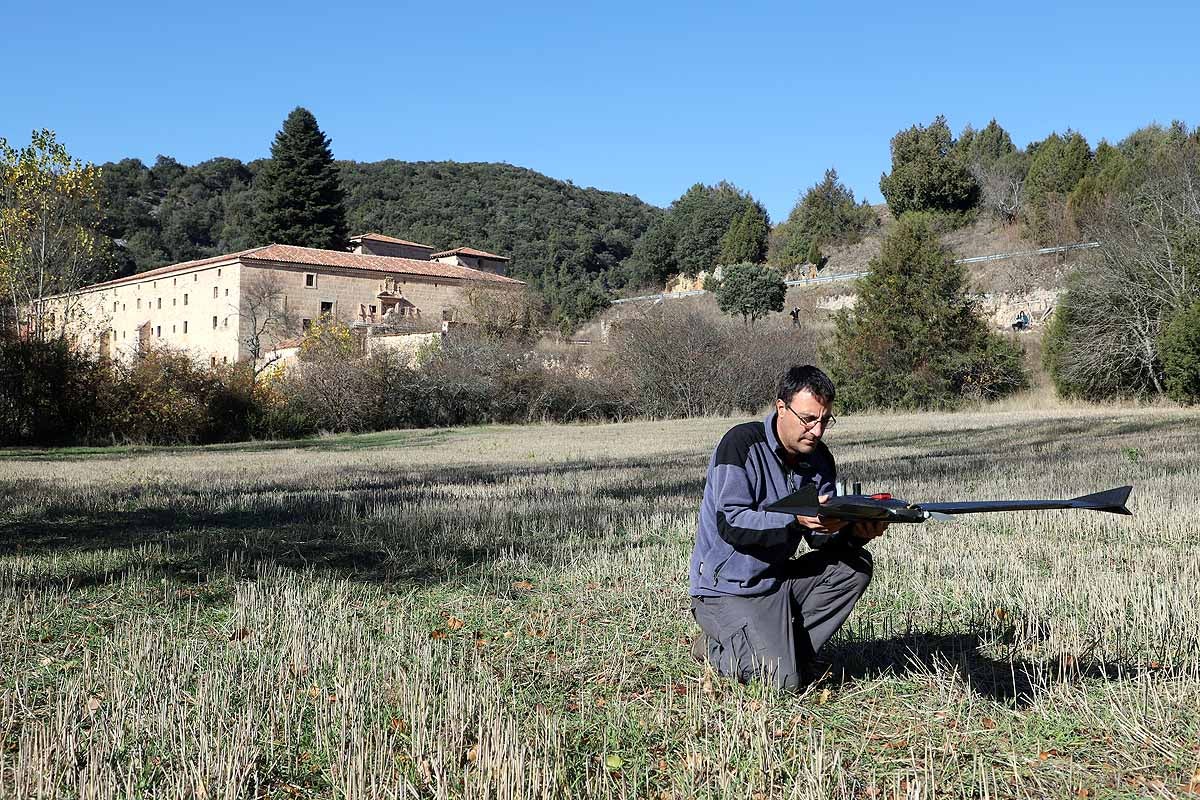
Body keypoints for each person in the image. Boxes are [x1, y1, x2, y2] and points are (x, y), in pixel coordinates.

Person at [688, 365, 887, 690]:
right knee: (783, 684)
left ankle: (786, 652)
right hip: (725, 590)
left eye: (825, 421)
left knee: (854, 567)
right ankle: (712, 648)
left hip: (777, 580)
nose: (817, 430)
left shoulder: (820, 459)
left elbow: (819, 539)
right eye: (809, 419)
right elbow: (733, 523)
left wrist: (853, 533)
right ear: (781, 407)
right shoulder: (741, 444)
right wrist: (793, 518)